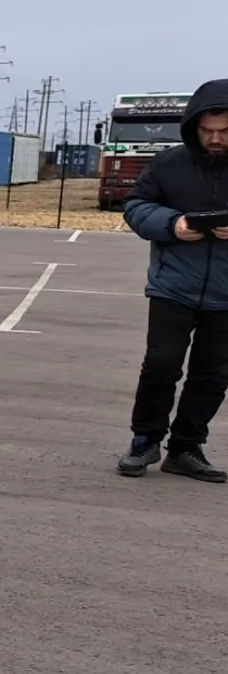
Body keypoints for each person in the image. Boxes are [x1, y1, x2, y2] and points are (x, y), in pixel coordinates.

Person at [117, 78, 228, 482]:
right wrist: (173, 223)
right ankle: (144, 441)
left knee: (214, 375)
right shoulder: (168, 163)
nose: (215, 139)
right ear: (194, 127)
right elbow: (135, 206)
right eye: (208, 131)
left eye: (225, 132)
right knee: (162, 364)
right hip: (173, 285)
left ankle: (185, 448)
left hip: (225, 294)